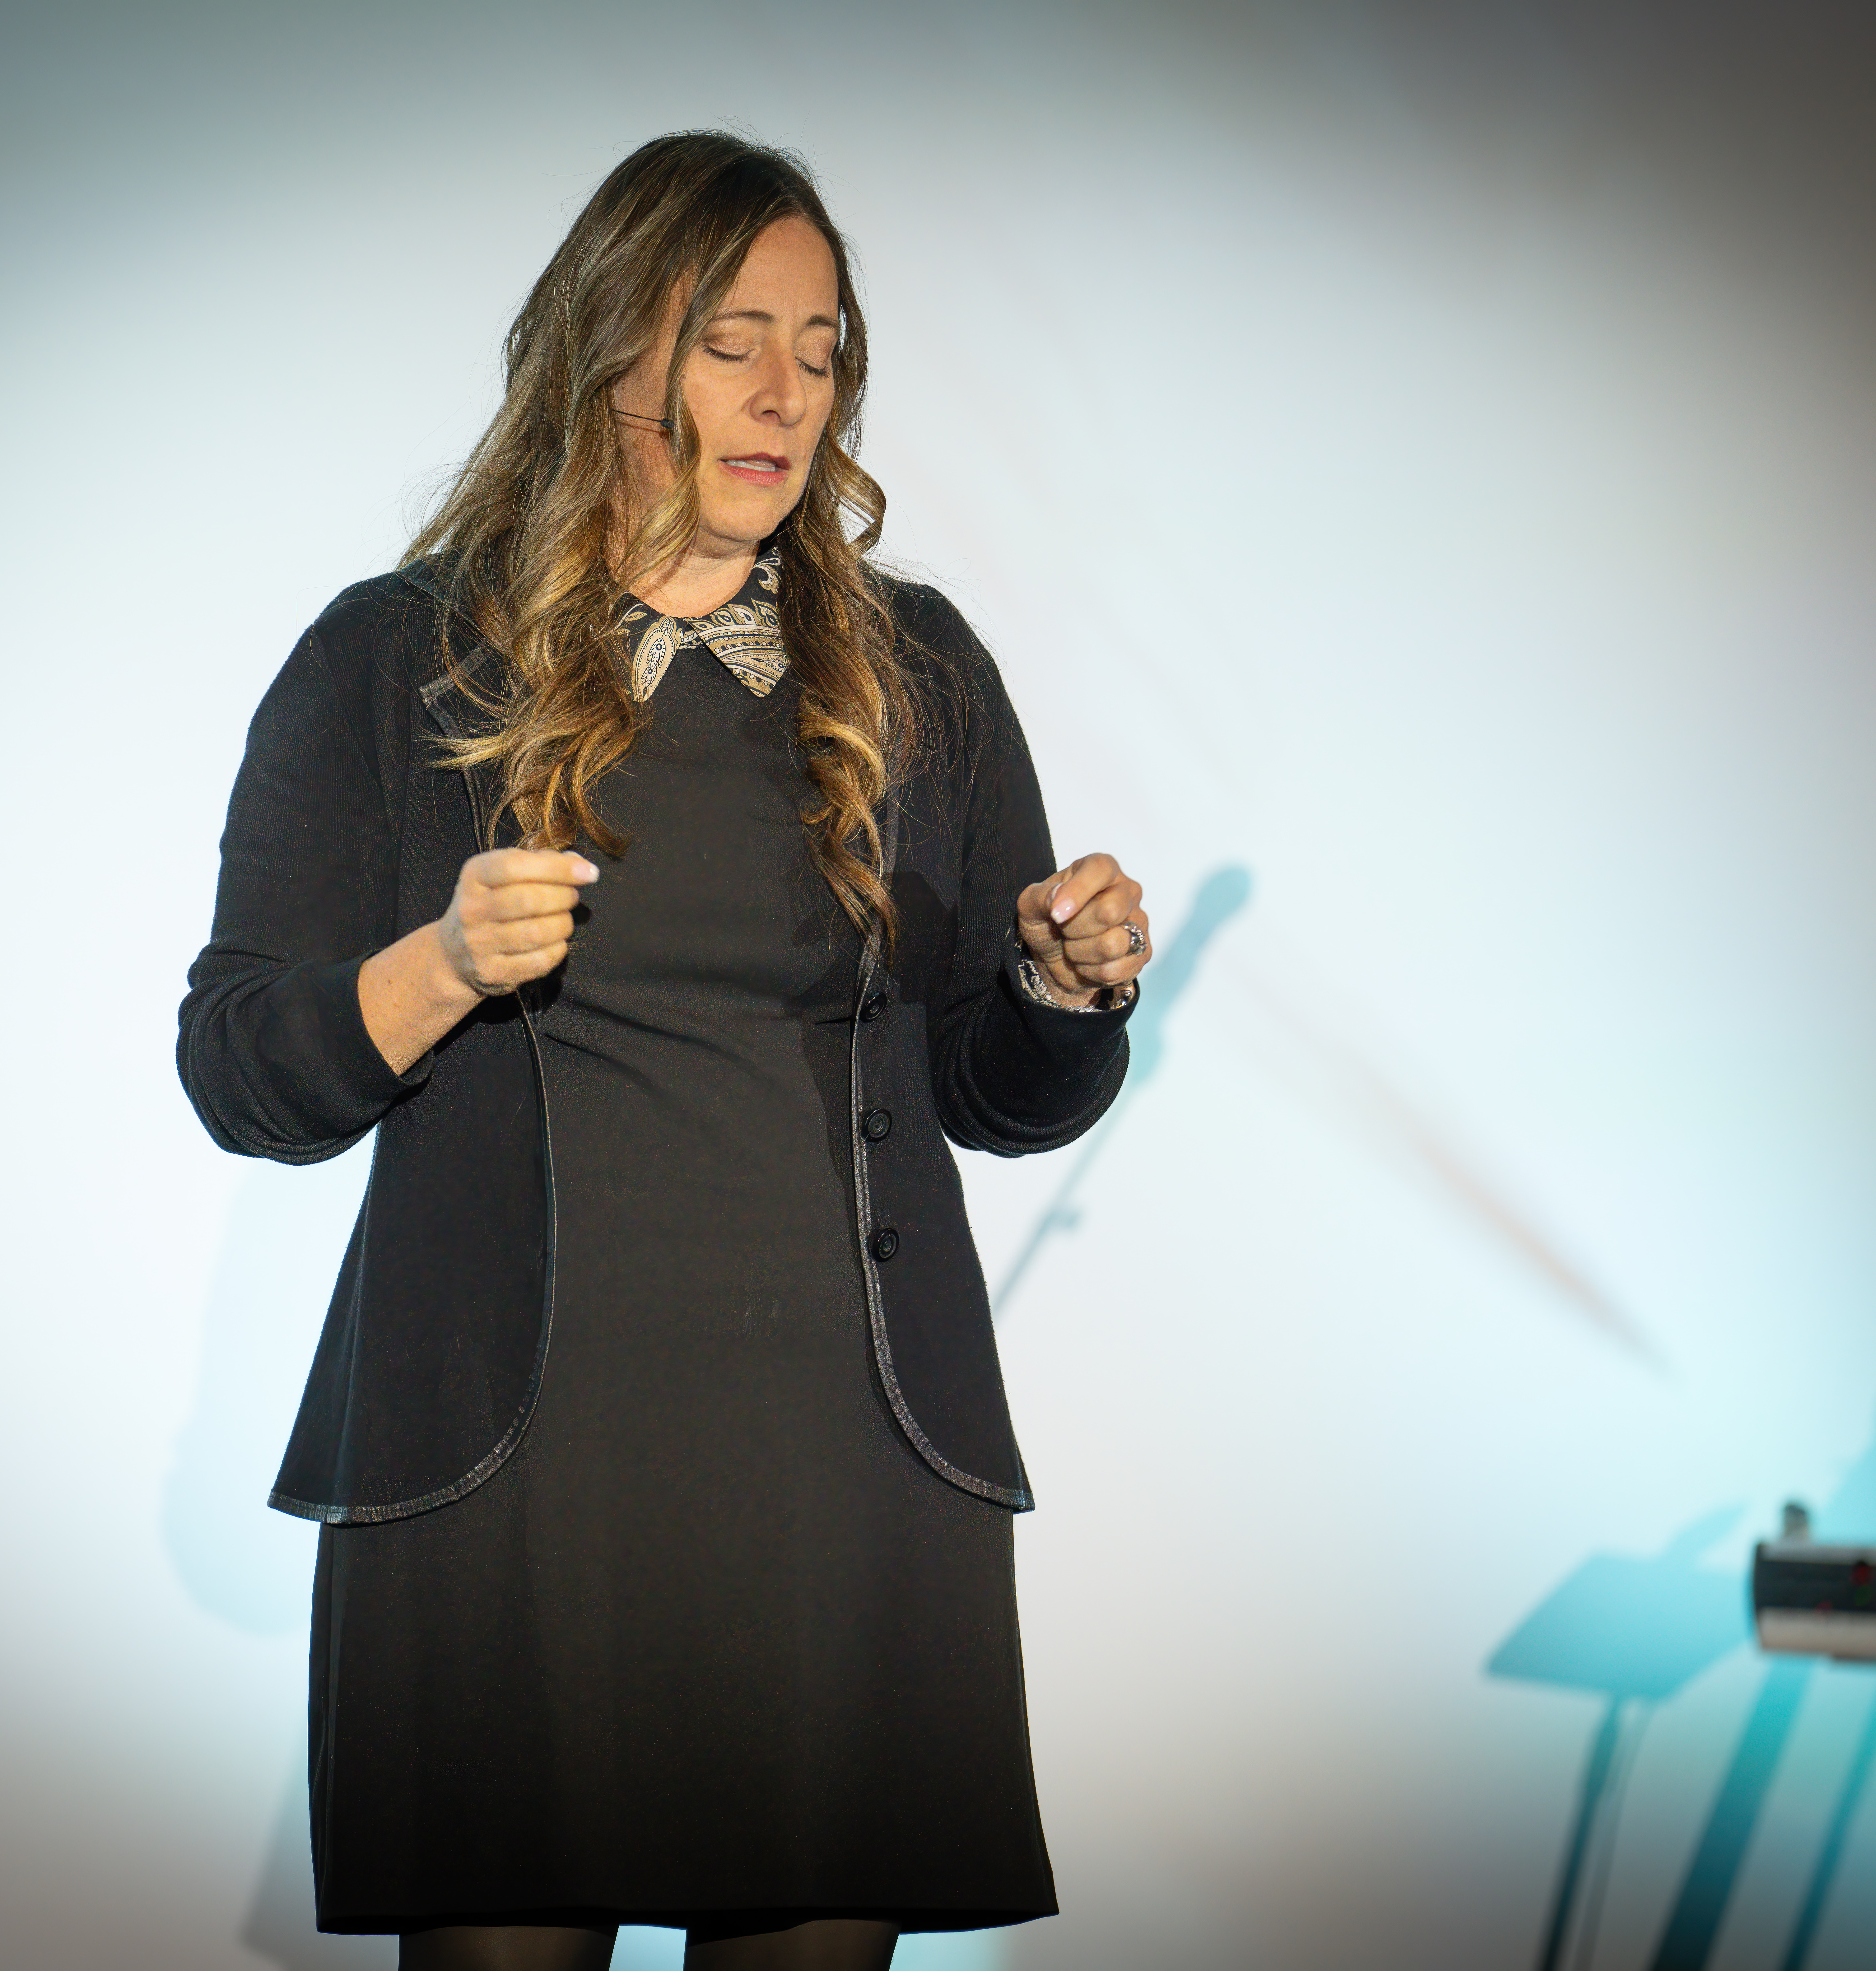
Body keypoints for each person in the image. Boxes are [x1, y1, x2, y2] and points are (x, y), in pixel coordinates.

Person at [178, 132, 1154, 1971]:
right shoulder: (398, 662)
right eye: (735, 339)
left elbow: (994, 1096)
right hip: (507, 1474)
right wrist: (440, 964)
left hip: (843, 1471)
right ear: (618, 352)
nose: (790, 389)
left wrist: (1058, 990)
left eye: (825, 344)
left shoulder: (917, 671)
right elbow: (241, 1069)